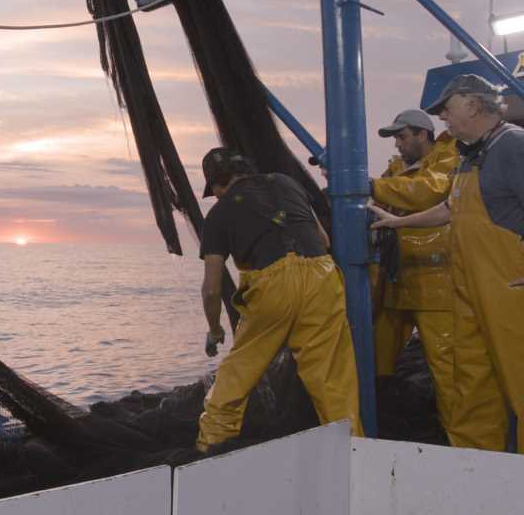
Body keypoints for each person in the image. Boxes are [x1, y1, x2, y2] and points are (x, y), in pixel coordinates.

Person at [370, 74, 524, 453]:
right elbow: (449, 208)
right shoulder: (470, 156)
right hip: (468, 293)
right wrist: (397, 222)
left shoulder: (513, 146)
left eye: (447, 111)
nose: (444, 121)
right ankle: (476, 465)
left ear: (472, 104)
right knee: (471, 385)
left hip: (508, 292)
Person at [196, 147, 363, 453]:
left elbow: (211, 288)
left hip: (273, 285)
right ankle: (353, 457)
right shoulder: (287, 183)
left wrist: (216, 330)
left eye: (216, 191)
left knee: (234, 380)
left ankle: (208, 452)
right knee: (334, 383)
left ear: (218, 186)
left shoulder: (219, 213)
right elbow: (323, 240)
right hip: (322, 276)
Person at [370, 109, 459, 436]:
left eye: (402, 136)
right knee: (377, 362)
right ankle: (380, 430)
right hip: (396, 281)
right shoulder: (394, 170)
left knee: (446, 369)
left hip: (434, 284)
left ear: (424, 134)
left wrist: (373, 188)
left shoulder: (448, 161)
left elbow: (430, 192)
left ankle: (460, 441)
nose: (397, 144)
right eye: (395, 138)